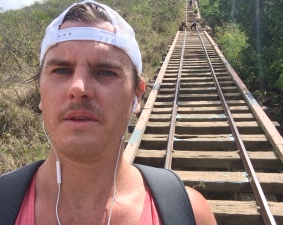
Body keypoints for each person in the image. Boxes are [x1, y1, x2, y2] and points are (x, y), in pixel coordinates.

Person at [0, 0, 216, 224]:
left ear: (137, 96)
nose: (79, 88)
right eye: (62, 70)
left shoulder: (189, 213)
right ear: (41, 93)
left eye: (105, 72)